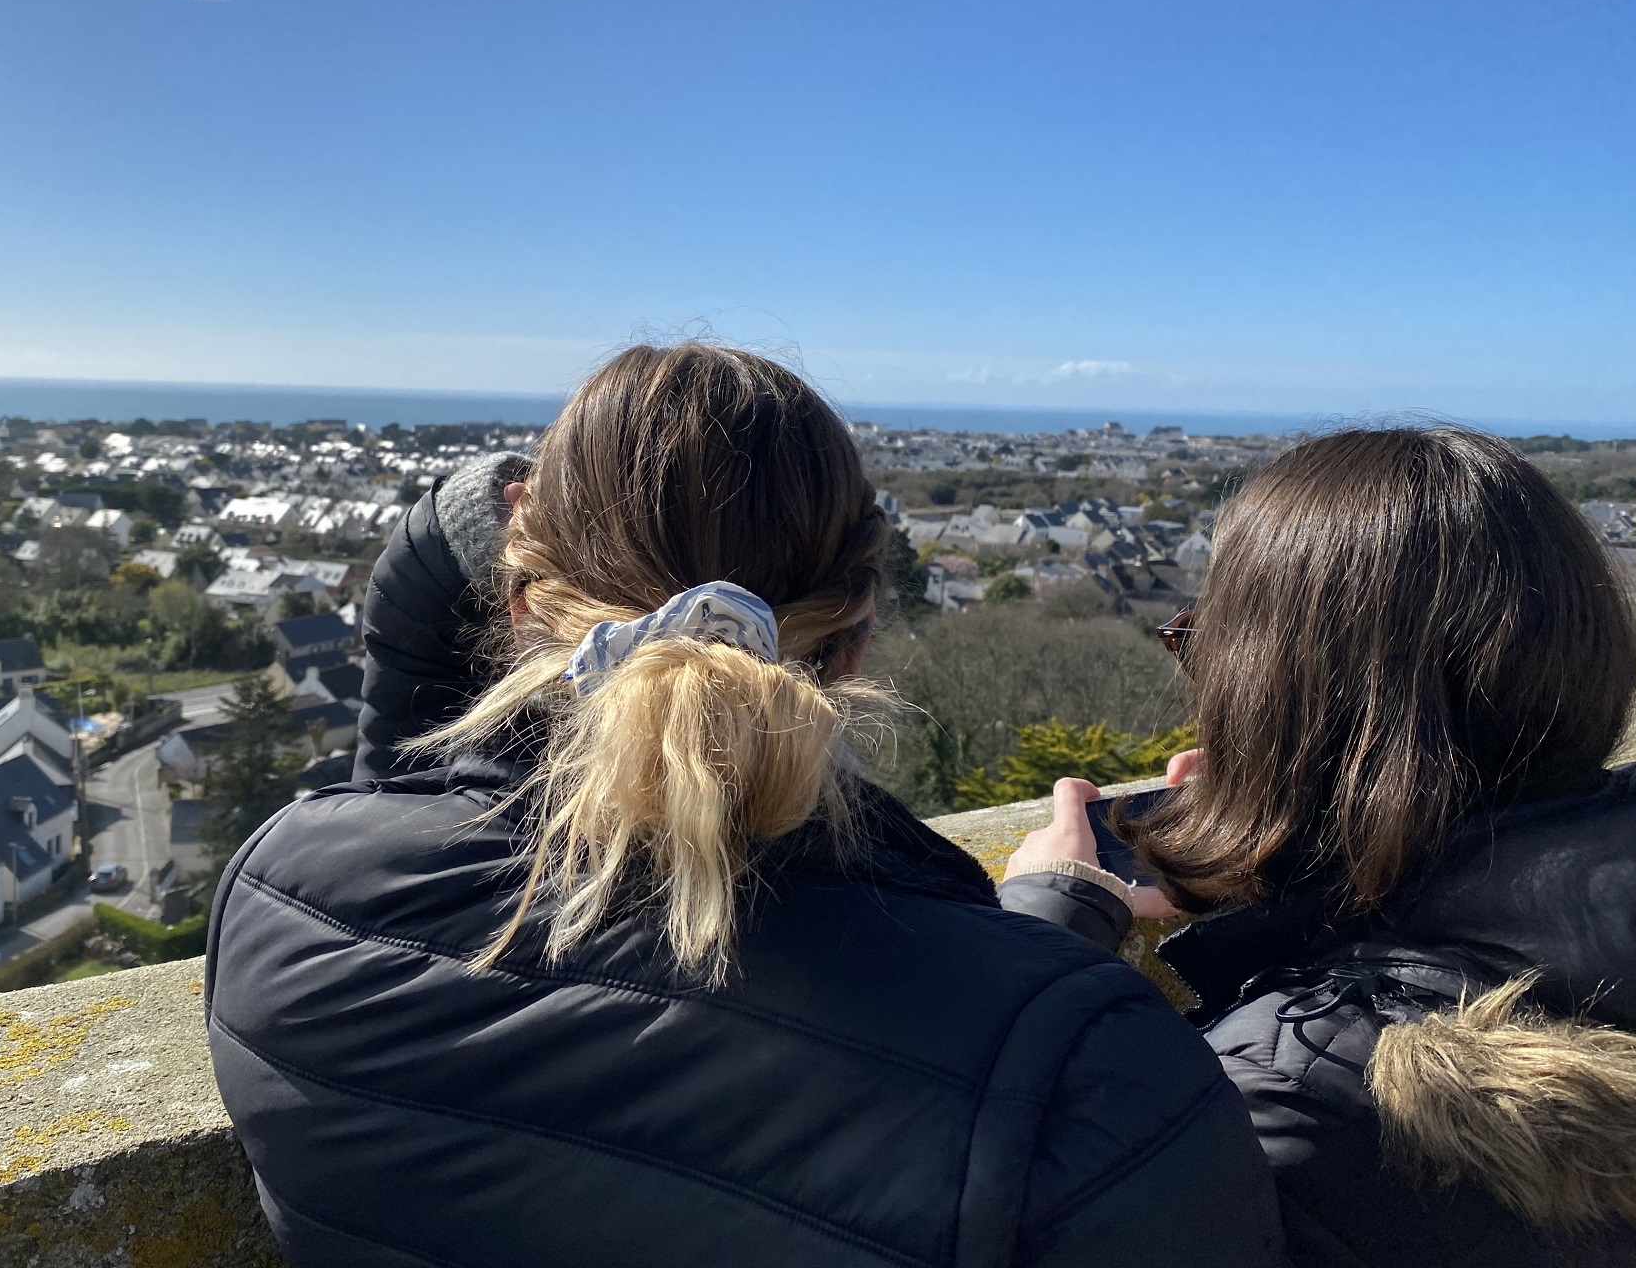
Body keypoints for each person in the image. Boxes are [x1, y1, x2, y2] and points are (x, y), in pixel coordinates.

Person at [205, 342, 1285, 1268]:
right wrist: (1050, 949)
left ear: (521, 600)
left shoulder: (285, 915)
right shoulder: (1099, 1076)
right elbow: (952, 1084)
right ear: (857, 637)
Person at [1004, 426, 1636, 1268]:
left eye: (1202, 649)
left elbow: (987, 1220)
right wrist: (1302, 889)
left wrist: (1042, 943)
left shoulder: (1291, 1095)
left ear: (1271, 700)